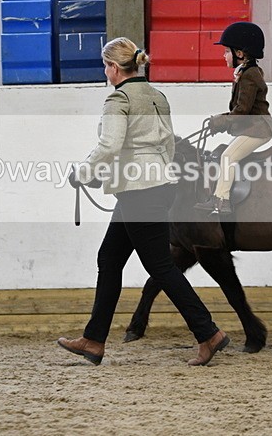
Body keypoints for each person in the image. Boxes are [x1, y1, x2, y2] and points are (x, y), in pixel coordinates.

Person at [58, 37, 229, 366]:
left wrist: (83, 173)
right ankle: (94, 340)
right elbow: (167, 146)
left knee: (160, 266)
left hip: (138, 191)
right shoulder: (157, 95)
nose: (105, 72)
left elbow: (109, 146)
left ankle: (208, 333)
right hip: (158, 186)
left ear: (113, 67)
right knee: (109, 259)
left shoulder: (117, 100)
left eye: (105, 66)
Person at [194, 22, 272, 215]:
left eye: (226, 52)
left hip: (258, 129)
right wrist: (220, 122)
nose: (223, 56)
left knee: (228, 157)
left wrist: (221, 121)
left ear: (240, 53)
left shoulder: (249, 75)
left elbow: (242, 111)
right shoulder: (245, 72)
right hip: (252, 127)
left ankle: (221, 201)